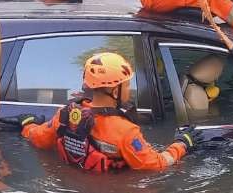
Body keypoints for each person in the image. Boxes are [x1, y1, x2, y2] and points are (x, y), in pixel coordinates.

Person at [21, 52, 202, 171]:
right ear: (115, 91)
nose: (129, 89)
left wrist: (27, 125)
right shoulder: (126, 132)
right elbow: (155, 165)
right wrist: (181, 145)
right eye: (127, 84)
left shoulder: (65, 114)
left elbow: (39, 139)